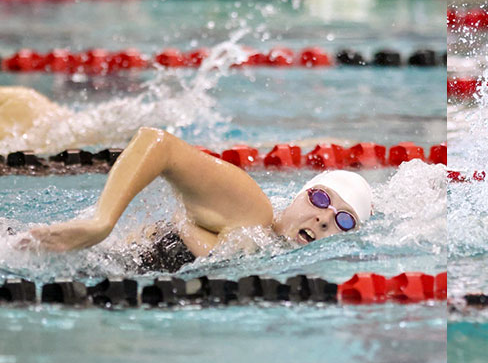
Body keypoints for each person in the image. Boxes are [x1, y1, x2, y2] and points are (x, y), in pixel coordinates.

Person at [19, 125, 373, 272]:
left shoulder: (268, 251)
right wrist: (101, 222)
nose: (325, 218)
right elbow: (158, 143)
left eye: (344, 221)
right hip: (55, 257)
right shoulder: (252, 209)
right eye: (321, 199)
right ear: (299, 194)